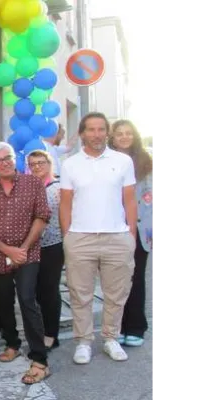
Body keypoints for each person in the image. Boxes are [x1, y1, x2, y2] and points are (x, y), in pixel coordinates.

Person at [59, 112, 137, 364]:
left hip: (117, 237)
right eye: (91, 130)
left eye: (101, 129)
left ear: (107, 133)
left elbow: (129, 200)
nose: (96, 134)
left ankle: (110, 338)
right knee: (80, 293)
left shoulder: (123, 161)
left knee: (116, 293)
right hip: (81, 238)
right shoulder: (70, 164)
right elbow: (65, 204)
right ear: (82, 133)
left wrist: (131, 236)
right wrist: (67, 236)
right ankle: (83, 341)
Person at [0, 142, 51, 384]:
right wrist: (5, 249)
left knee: (28, 299)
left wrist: (23, 249)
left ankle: (39, 359)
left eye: (8, 157)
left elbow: (42, 216)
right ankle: (12, 344)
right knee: (3, 301)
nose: (5, 162)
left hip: (28, 253)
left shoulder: (33, 183)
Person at [109, 119, 154, 347]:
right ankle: (116, 327)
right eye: (119, 133)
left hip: (139, 228)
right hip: (112, 227)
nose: (124, 137)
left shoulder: (145, 161)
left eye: (128, 133)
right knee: (115, 280)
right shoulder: (106, 161)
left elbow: (147, 198)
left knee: (136, 278)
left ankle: (135, 327)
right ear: (113, 138)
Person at [26, 150, 65, 350]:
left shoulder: (58, 188)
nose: (37, 167)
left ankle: (51, 334)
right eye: (32, 164)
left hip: (53, 245)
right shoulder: (28, 188)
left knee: (49, 291)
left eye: (41, 162)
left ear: (49, 164)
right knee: (35, 291)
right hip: (32, 247)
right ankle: (40, 331)